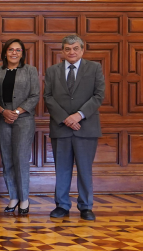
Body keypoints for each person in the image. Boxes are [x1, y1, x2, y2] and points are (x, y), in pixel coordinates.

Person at [44, 34, 105, 221]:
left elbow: (98, 95)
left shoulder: (94, 68)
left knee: (85, 169)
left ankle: (86, 206)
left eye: (75, 48)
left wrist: (78, 115)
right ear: (62, 51)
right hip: (61, 127)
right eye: (68, 49)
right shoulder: (52, 70)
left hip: (86, 127)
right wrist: (65, 118)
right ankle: (62, 205)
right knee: (62, 169)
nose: (72, 52)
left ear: (82, 49)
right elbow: (48, 97)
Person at [0, 39, 40, 215]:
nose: (14, 53)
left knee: (21, 159)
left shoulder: (30, 71)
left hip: (24, 120)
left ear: (22, 53)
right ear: (5, 52)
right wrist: (3, 111)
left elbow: (35, 95)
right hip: (2, 119)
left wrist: (17, 112)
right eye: (10, 50)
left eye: (18, 50)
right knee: (7, 159)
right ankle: (13, 196)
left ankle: (24, 199)